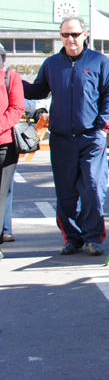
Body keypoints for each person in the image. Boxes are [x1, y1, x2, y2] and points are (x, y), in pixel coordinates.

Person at [23, 16, 109, 257]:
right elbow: (38, 90)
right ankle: (73, 238)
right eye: (65, 35)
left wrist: (101, 128)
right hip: (61, 138)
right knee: (66, 193)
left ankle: (93, 238)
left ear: (85, 35)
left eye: (75, 34)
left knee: (92, 189)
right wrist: (13, 81)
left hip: (91, 139)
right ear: (60, 37)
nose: (70, 39)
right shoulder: (52, 64)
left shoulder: (99, 61)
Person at [1, 44, 25, 260]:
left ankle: (4, 231)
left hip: (4, 144)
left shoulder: (11, 78)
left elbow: (17, 109)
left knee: (3, 192)